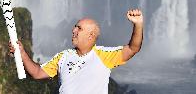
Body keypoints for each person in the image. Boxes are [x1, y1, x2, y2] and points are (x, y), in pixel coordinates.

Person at [8, 9, 143, 94]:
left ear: (91, 36)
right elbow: (37, 73)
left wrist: (138, 24)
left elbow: (133, 48)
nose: (73, 31)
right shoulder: (63, 56)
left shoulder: (104, 56)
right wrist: (22, 54)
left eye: (79, 28)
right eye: (74, 27)